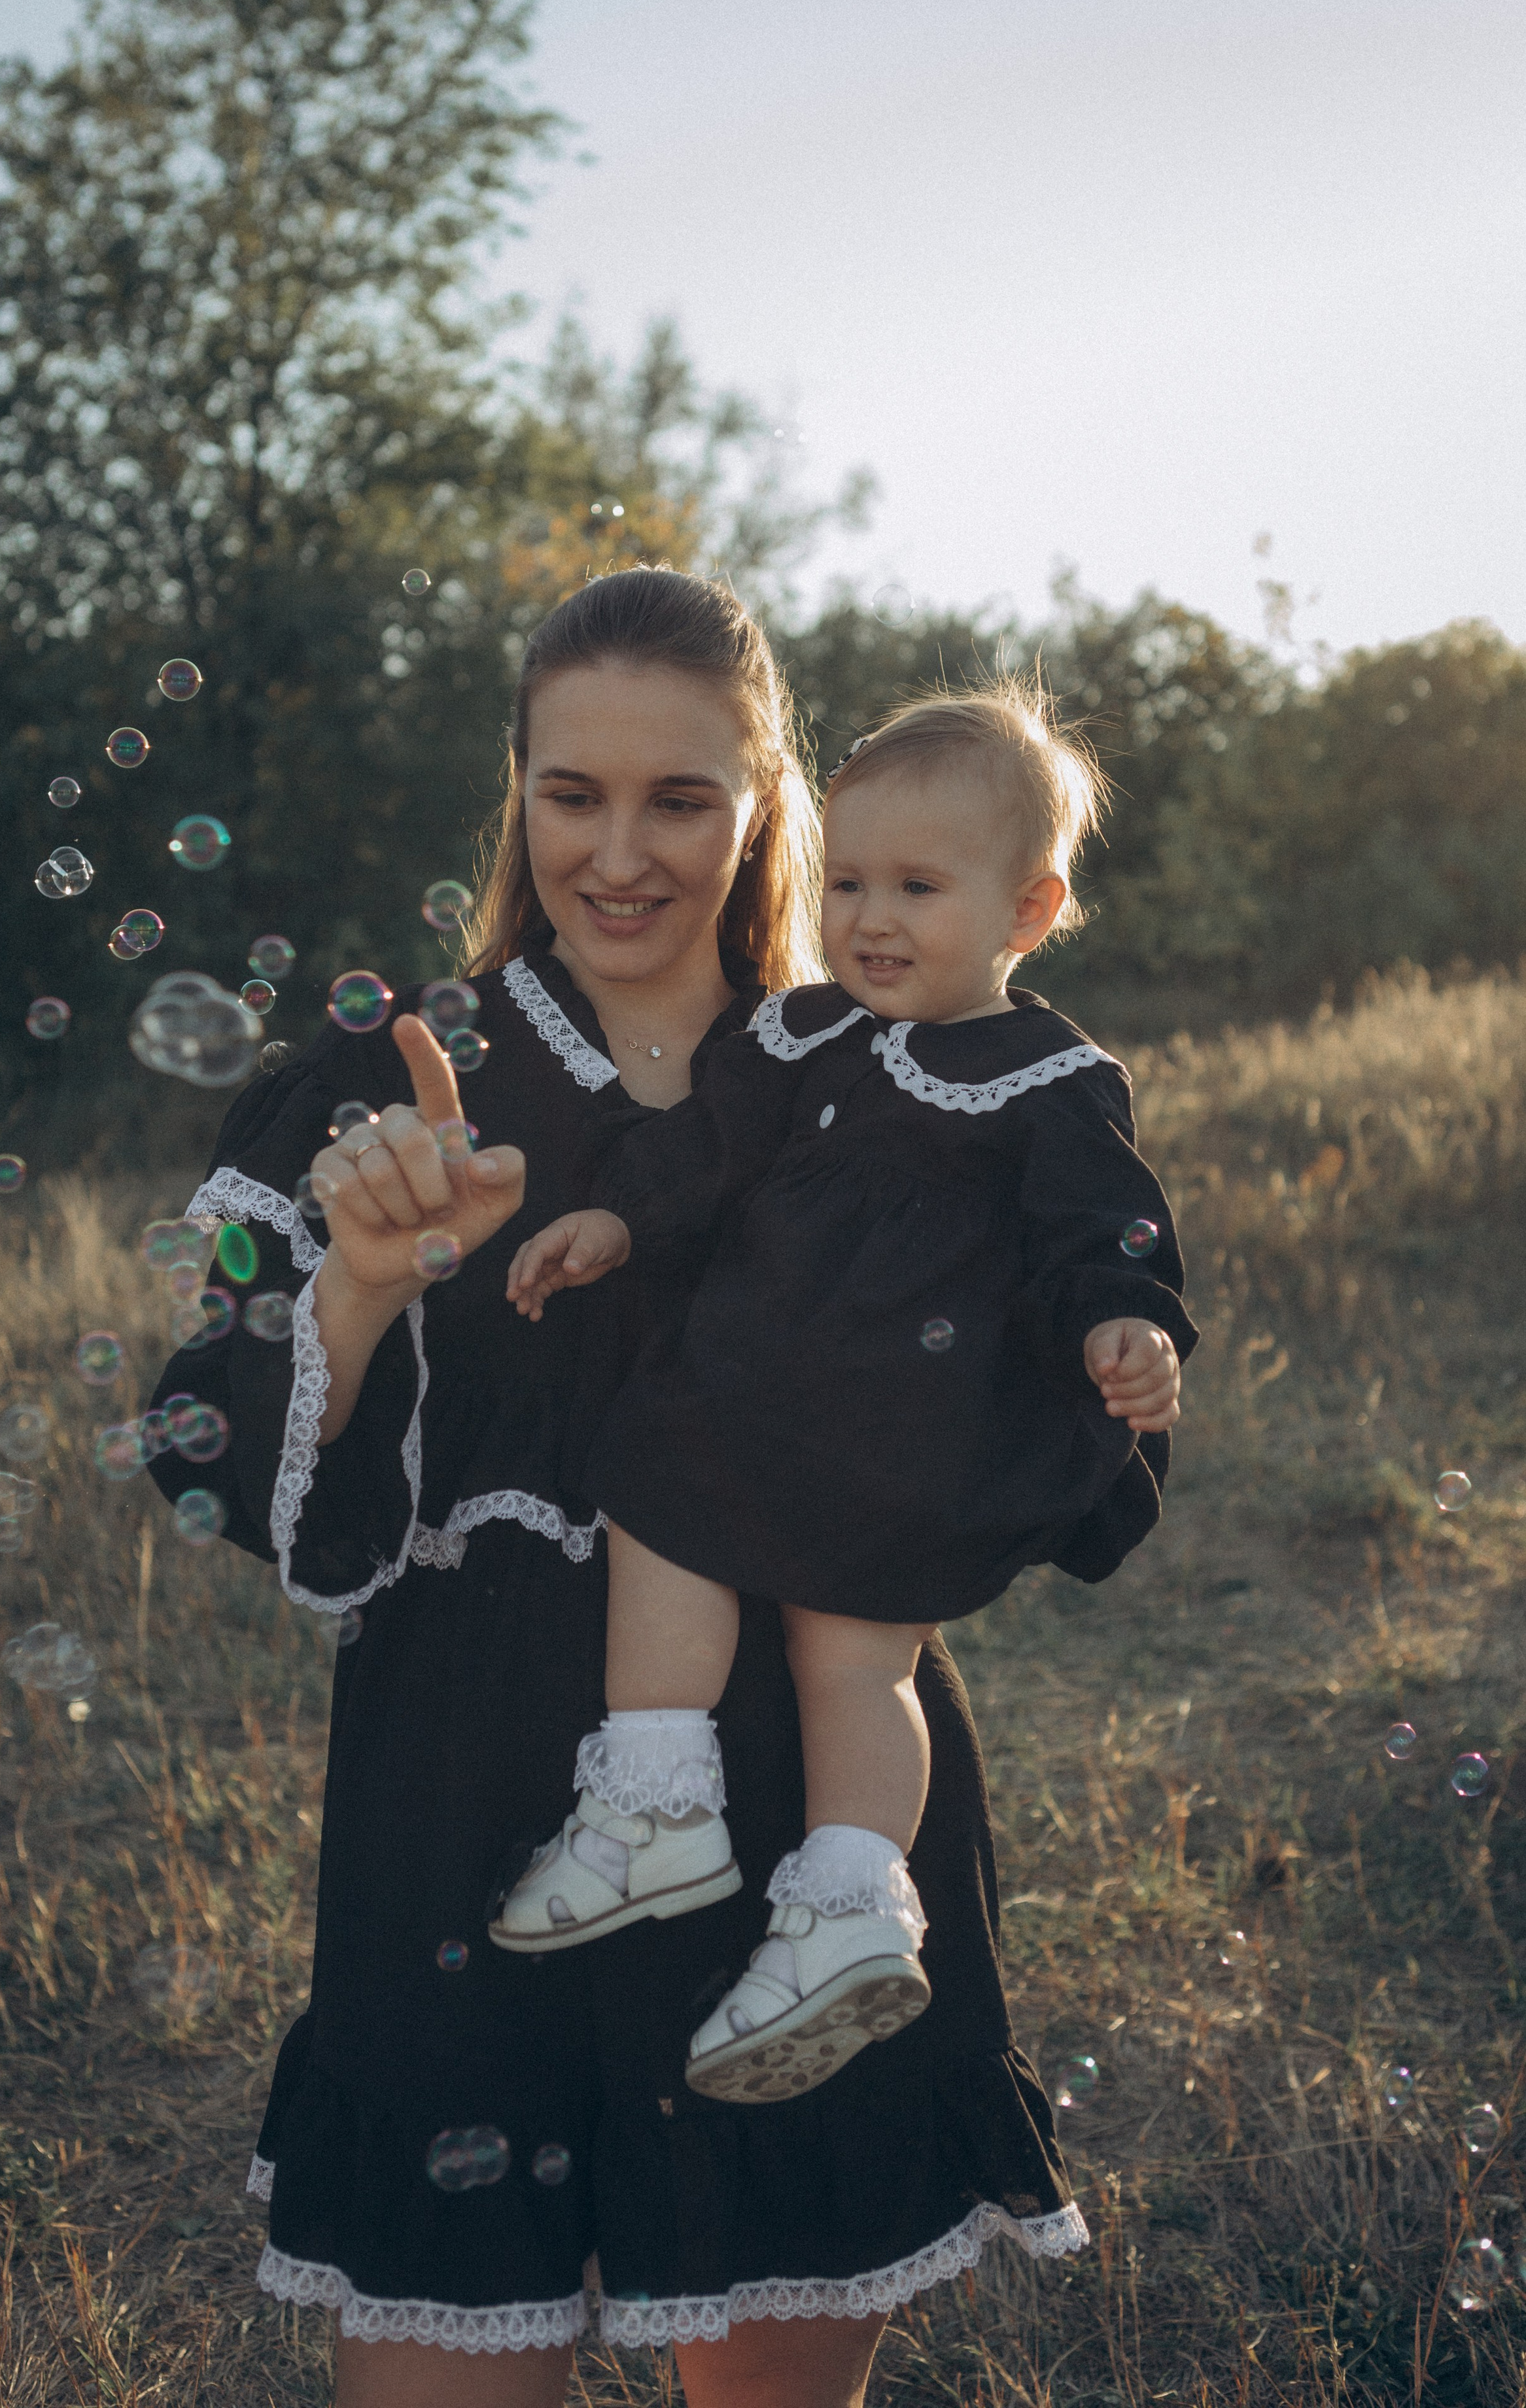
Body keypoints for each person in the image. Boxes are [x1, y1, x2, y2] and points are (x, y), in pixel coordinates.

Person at [147, 572, 1088, 2408]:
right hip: (465, 1797)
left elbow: (1045, 1405)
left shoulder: (879, 1071)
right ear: (515, 791)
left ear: (764, 804)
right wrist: (362, 1269)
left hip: (788, 1790)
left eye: (682, 797)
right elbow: (221, 1463)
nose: (622, 852)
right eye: (572, 792)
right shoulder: (392, 1073)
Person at [498, 685, 1196, 2109]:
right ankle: (661, 1802)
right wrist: (622, 1226)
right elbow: (703, 1162)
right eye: (851, 882)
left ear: (1029, 906)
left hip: (903, 1430)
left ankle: (845, 1902)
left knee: (858, 1662)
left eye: (919, 889)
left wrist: (1124, 1321)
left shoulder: (1048, 1080)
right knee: (658, 1503)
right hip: (745, 1406)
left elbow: (1098, 1233)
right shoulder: (799, 1039)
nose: (872, 917)